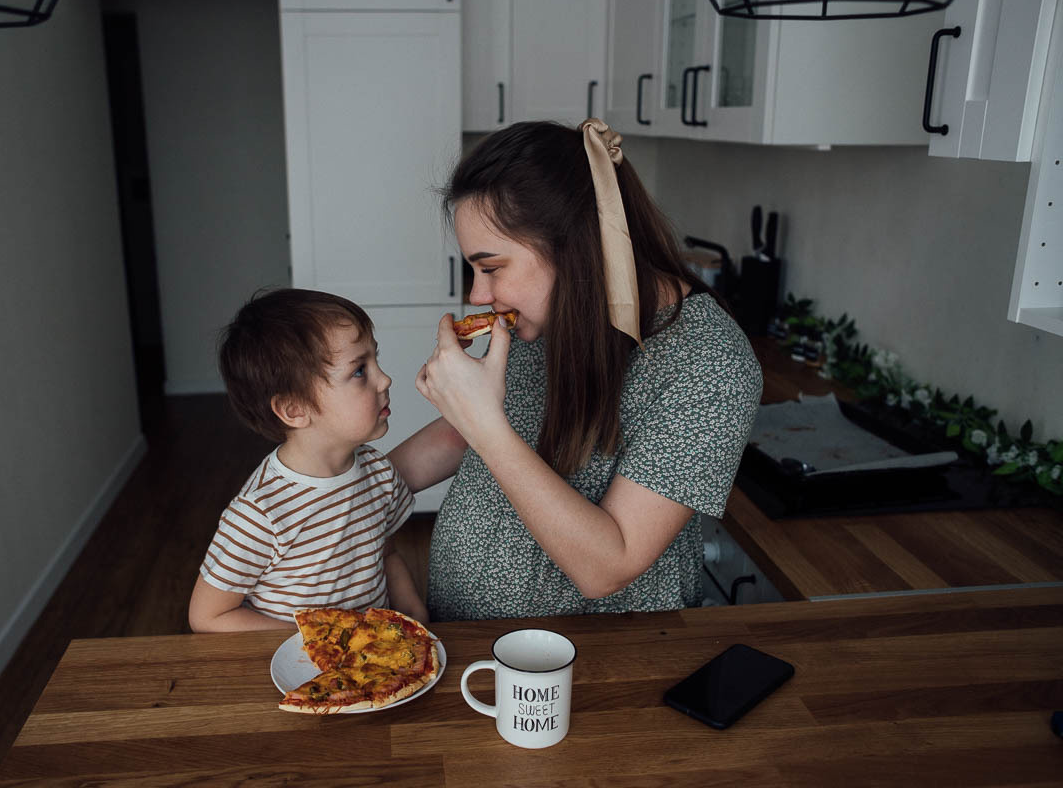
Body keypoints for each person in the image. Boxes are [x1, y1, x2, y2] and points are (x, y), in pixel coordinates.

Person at [388, 119, 762, 621]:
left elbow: (611, 564)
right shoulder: (552, 315)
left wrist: (483, 425)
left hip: (589, 665)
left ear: (576, 247)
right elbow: (468, 432)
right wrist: (346, 492)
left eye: (492, 268)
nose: (477, 296)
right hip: (463, 635)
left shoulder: (709, 362)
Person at [188, 288, 427, 632]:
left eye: (376, 360)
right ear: (294, 410)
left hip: (373, 661)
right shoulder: (260, 513)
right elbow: (207, 615)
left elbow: (386, 553)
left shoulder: (378, 473)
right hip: (300, 671)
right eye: (360, 370)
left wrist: (413, 610)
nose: (385, 379)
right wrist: (315, 641)